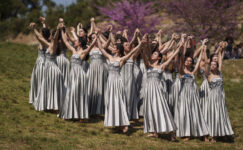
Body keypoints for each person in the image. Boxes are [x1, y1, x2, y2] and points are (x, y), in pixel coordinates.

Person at [97, 31, 144, 133]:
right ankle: (117, 123)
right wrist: (97, 37)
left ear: (118, 50)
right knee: (111, 102)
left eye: (114, 48)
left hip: (118, 82)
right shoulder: (110, 57)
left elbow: (132, 52)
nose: (112, 49)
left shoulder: (122, 59)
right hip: (110, 83)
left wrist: (140, 43)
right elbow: (101, 49)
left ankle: (124, 123)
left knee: (119, 102)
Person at [174, 36, 209, 141]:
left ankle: (203, 134)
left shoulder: (192, 72)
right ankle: (186, 134)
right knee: (185, 113)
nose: (189, 62)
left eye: (190, 61)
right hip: (184, 95)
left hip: (193, 95)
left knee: (196, 112)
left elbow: (197, 62)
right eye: (187, 61)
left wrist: (203, 46)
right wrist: (182, 46)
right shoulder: (181, 71)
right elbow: (180, 61)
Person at [58, 30, 97, 120]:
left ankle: (81, 115)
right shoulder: (73, 50)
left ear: (79, 43)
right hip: (72, 74)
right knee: (71, 92)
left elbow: (90, 46)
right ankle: (70, 113)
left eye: (76, 41)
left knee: (78, 93)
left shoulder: (83, 52)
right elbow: (66, 41)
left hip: (80, 75)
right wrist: (61, 30)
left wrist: (96, 38)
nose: (74, 42)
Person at [31, 22, 66, 111]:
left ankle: (54, 106)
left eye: (51, 35)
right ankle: (49, 105)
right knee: (47, 87)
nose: (50, 35)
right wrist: (34, 29)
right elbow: (40, 38)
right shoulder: (49, 45)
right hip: (49, 69)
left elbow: (54, 38)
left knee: (52, 88)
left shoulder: (54, 46)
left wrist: (58, 29)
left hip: (53, 70)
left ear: (53, 37)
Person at [204, 42, 234, 142]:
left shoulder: (219, 73)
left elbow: (220, 61)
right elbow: (206, 63)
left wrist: (222, 49)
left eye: (214, 65)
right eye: (211, 64)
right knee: (213, 114)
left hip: (220, 97)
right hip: (212, 98)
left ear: (216, 66)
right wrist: (204, 50)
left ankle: (222, 132)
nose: (212, 66)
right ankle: (213, 135)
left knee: (221, 114)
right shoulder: (208, 75)